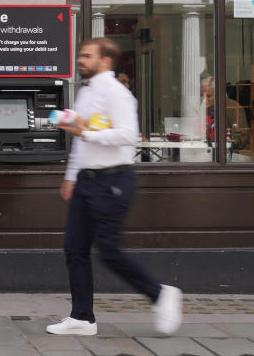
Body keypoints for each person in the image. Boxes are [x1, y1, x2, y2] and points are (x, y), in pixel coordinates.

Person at [47, 38, 182, 337]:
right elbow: (81, 138)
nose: (80, 60)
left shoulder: (117, 93)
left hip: (113, 181)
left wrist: (88, 133)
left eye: (87, 56)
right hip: (86, 180)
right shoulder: (86, 92)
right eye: (80, 55)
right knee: (75, 248)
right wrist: (71, 175)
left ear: (105, 60)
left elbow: (127, 135)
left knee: (108, 250)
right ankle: (82, 317)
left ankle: (161, 294)